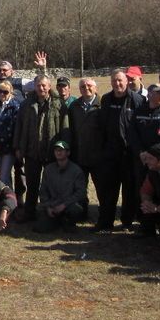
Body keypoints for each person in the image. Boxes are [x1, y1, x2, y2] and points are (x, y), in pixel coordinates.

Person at [93, 69, 145, 233]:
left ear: (127, 81)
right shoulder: (107, 99)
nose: (117, 84)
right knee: (108, 190)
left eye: (120, 81)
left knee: (129, 190)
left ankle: (127, 222)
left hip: (129, 153)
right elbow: (102, 126)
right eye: (114, 81)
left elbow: (141, 127)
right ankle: (105, 223)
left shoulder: (137, 100)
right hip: (110, 153)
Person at [14, 75, 67, 220]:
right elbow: (19, 126)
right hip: (32, 151)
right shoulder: (27, 104)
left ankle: (50, 213)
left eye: (44, 85)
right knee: (32, 185)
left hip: (51, 152)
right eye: (38, 85)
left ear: (49, 86)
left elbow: (64, 127)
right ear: (34, 87)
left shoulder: (58, 104)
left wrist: (64, 148)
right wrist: (18, 147)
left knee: (52, 185)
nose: (41, 88)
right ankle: (29, 213)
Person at [34, 141, 86, 233]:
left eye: (61, 150)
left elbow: (81, 193)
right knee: (40, 227)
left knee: (76, 210)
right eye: (56, 150)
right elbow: (43, 191)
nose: (58, 152)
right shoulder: (48, 169)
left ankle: (68, 222)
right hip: (53, 205)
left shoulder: (76, 170)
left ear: (68, 153)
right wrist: (48, 207)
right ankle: (57, 222)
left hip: (68, 205)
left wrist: (64, 205)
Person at [67, 78, 101, 217]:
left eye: (89, 85)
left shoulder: (103, 105)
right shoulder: (74, 106)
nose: (86, 88)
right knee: (80, 187)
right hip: (79, 154)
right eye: (82, 86)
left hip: (98, 155)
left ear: (95, 88)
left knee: (101, 187)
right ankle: (81, 213)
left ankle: (104, 215)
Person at [0, 80, 20, 187]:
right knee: (3, 176)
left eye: (5, 92)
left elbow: (12, 128)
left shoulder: (15, 107)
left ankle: (9, 201)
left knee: (3, 176)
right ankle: (9, 200)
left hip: (8, 148)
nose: (2, 94)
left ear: (10, 92)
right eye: (0, 91)